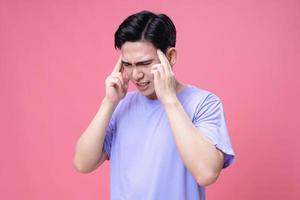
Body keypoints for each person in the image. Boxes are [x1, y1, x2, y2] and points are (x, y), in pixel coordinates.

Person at [73, 10, 235, 200]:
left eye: (144, 63)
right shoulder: (121, 106)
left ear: (171, 57)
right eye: (128, 64)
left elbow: (207, 173)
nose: (135, 75)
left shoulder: (204, 103)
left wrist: (169, 100)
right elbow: (82, 163)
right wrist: (109, 102)